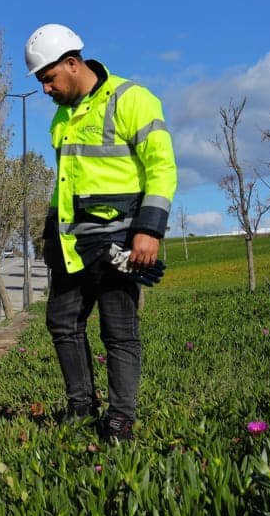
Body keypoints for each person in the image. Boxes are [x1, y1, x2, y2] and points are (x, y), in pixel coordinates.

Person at [24, 24, 176, 441]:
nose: (46, 90)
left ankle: (120, 421)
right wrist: (50, 236)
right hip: (73, 245)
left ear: (72, 64)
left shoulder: (131, 99)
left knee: (118, 330)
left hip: (121, 240)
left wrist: (149, 230)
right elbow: (67, 183)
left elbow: (162, 168)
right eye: (41, 83)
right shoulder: (62, 118)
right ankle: (82, 408)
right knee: (62, 323)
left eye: (49, 79)